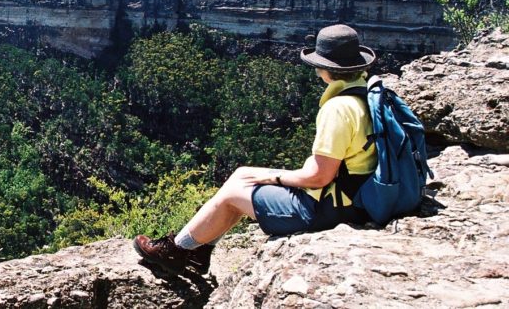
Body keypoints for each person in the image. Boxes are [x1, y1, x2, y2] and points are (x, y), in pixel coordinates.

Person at [133, 24, 379, 275]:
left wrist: (275, 177)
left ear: (325, 68)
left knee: (232, 196)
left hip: (329, 209)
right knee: (241, 174)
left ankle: (175, 251)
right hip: (356, 194)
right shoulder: (367, 94)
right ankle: (198, 250)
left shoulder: (338, 109)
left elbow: (320, 177)